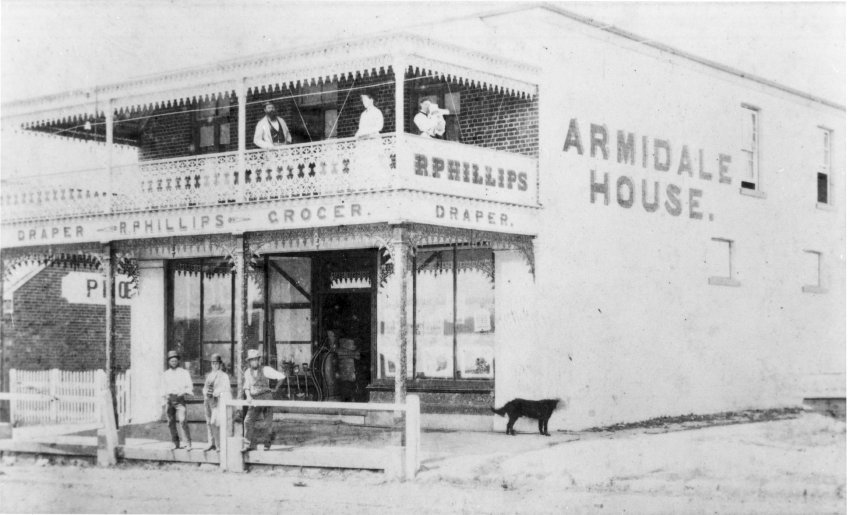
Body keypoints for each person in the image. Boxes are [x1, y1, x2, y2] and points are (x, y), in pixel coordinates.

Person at [242, 348, 283, 451]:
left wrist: (275, 389)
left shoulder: (266, 369)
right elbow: (246, 387)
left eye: (255, 359)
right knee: (248, 421)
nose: (254, 362)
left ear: (259, 360)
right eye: (251, 360)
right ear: (249, 361)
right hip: (254, 398)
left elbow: (281, 377)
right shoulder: (247, 372)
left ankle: (267, 444)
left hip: (266, 397)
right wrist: (248, 396)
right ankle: (248, 444)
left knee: (267, 423)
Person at [160, 349, 194, 449]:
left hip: (179, 400)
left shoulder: (184, 373)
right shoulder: (165, 374)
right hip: (169, 400)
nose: (173, 363)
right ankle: (175, 442)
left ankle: (188, 442)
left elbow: (190, 387)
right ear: (169, 362)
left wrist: (183, 392)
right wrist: (165, 396)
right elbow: (162, 388)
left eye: (175, 361)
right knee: (170, 422)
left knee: (183, 420)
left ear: (178, 361)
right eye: (171, 361)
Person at [202, 353, 231, 451]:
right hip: (208, 401)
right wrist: (205, 393)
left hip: (218, 402)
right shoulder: (209, 375)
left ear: (220, 364)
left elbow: (227, 390)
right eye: (213, 363)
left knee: (215, 422)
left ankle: (219, 445)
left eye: (217, 363)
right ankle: (211, 443)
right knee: (209, 422)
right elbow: (205, 388)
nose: (215, 365)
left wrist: (218, 393)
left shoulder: (224, 376)